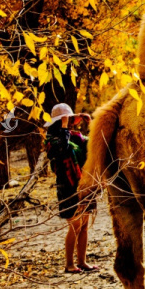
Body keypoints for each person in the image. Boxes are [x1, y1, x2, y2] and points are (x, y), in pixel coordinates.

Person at [44, 103, 98, 273]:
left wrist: (90, 124)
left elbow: (94, 146)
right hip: (67, 186)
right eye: (64, 120)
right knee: (75, 225)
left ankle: (82, 261)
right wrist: (64, 127)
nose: (68, 123)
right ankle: (69, 264)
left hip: (84, 184)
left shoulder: (77, 137)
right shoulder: (52, 140)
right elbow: (63, 149)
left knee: (84, 224)